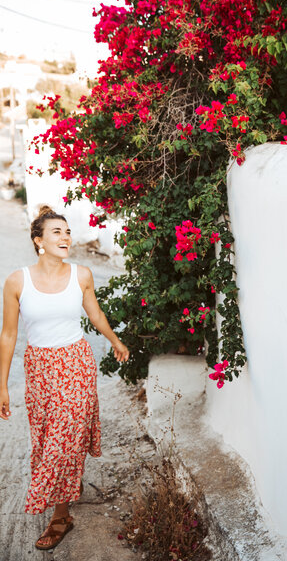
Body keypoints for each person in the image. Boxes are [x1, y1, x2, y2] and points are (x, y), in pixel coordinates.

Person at [0, 205, 130, 550]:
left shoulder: (82, 275)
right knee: (48, 440)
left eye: (68, 231)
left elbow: (96, 313)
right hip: (39, 370)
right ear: (38, 240)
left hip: (76, 364)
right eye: (57, 232)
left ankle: (59, 516)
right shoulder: (17, 281)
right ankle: (66, 487)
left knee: (63, 438)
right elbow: (8, 335)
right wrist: (2, 386)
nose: (66, 237)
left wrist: (116, 341)